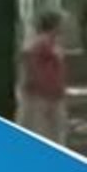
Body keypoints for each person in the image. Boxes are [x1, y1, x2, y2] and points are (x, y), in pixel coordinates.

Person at [19, 11, 68, 144]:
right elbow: (31, 65)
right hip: (41, 93)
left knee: (54, 130)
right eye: (61, 23)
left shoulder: (51, 42)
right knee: (42, 129)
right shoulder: (40, 43)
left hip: (51, 92)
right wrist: (40, 84)